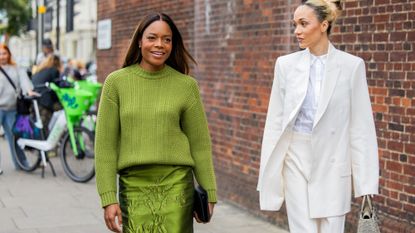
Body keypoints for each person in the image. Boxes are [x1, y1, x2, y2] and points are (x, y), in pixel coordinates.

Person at [257, 1, 379, 232]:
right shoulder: (285, 65)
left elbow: (361, 127)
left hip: (334, 160)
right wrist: (270, 168)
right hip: (296, 158)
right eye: (295, 24)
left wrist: (365, 183)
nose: (297, 31)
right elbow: (275, 120)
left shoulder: (352, 66)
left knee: (332, 227)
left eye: (304, 24)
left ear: (324, 25)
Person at [95, 13, 217, 233]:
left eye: (167, 39)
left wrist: (209, 191)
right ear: (140, 40)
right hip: (133, 186)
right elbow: (105, 146)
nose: (159, 44)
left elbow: (200, 144)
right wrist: (108, 198)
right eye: (152, 37)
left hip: (177, 186)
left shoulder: (186, 86)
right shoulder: (116, 83)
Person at [0, 44, 35, 173]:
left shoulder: (16, 68)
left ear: (8, 54)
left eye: (4, 53)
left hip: (11, 108)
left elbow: (24, 80)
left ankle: (20, 163)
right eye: (0, 54)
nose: (2, 56)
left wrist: (29, 90)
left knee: (15, 137)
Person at [31, 54, 63, 132]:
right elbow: (57, 86)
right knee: (62, 107)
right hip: (44, 100)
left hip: (36, 98)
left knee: (41, 124)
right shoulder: (54, 70)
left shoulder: (41, 69)